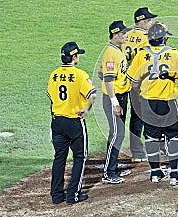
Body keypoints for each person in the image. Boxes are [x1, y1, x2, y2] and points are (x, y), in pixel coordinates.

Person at [126, 22, 178, 186]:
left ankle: (155, 172)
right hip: (168, 103)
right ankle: (175, 175)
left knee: (151, 137)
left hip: (148, 103)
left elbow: (133, 81)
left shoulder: (141, 55)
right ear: (164, 38)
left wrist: (142, 92)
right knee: (174, 136)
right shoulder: (173, 54)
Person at [47, 41, 97, 205]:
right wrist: (86, 109)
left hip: (57, 122)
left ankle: (56, 195)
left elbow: (51, 100)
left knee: (59, 157)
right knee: (80, 157)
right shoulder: (80, 75)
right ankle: (73, 195)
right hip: (74, 122)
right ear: (74, 57)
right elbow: (92, 95)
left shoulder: (53, 75)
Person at [123, 7, 158, 163]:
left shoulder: (125, 35)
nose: (150, 23)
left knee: (136, 116)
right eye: (148, 21)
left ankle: (136, 152)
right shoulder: (147, 37)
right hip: (143, 81)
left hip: (127, 80)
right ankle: (154, 147)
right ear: (141, 21)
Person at [100, 20, 132, 184]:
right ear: (115, 34)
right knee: (116, 134)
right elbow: (108, 79)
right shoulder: (111, 53)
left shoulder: (118, 50)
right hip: (114, 99)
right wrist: (114, 102)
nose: (126, 35)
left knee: (118, 134)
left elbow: (101, 73)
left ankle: (113, 165)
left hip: (121, 96)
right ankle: (108, 172)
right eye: (123, 33)